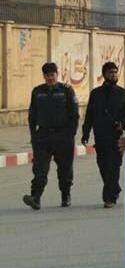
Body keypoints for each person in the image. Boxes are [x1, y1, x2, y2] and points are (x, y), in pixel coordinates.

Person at [22, 62, 79, 210]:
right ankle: (36, 197)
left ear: (56, 74)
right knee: (40, 169)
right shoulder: (37, 92)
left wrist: (70, 134)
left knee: (65, 169)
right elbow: (32, 115)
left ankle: (65, 195)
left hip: (63, 136)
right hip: (43, 136)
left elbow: (74, 115)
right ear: (44, 76)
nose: (50, 78)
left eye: (52, 75)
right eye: (47, 75)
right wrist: (33, 135)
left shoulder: (66, 90)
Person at [81, 62, 125, 208]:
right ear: (104, 74)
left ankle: (109, 197)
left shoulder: (123, 93)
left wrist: (122, 123)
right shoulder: (96, 94)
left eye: (116, 72)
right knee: (103, 165)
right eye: (111, 72)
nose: (114, 75)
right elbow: (89, 116)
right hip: (100, 136)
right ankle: (114, 188)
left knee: (114, 165)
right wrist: (85, 133)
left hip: (116, 136)